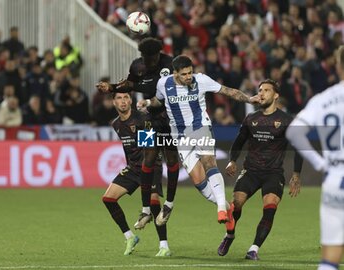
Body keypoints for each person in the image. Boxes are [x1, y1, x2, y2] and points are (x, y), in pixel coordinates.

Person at [137, 55, 260, 227]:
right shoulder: (163, 83)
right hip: (179, 136)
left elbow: (228, 91)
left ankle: (220, 211)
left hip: (201, 127)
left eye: (190, 73)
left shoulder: (201, 80)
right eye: (184, 74)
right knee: (198, 182)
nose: (188, 77)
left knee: (209, 162)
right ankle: (226, 207)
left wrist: (249, 99)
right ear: (175, 73)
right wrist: (148, 102)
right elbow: (159, 100)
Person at [96, 38, 180, 230]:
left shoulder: (170, 64)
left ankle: (169, 204)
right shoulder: (137, 66)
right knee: (147, 159)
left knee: (172, 160)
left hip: (171, 119)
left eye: (152, 59)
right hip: (152, 118)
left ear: (158, 55)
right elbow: (129, 84)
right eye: (146, 59)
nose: (149, 63)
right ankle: (146, 210)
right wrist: (112, 87)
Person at [217, 78, 303, 260]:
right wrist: (232, 160)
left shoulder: (286, 120)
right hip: (251, 171)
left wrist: (296, 174)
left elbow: (298, 148)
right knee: (236, 204)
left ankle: (253, 249)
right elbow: (239, 141)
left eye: (266, 90)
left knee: (270, 207)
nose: (262, 93)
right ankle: (229, 235)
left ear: (276, 95)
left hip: (273, 173)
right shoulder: (251, 118)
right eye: (260, 90)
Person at [286, 45, 344, 270]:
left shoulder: (324, 99)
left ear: (338, 66)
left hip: (334, 180)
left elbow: (293, 132)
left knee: (329, 259)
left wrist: (321, 164)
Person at [102, 92, 171, 257]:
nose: (123, 101)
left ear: (130, 100)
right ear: (114, 102)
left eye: (126, 97)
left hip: (150, 165)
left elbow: (149, 147)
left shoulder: (142, 119)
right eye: (119, 98)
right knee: (108, 199)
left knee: (154, 202)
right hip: (133, 168)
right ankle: (130, 237)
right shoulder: (116, 124)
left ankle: (164, 246)